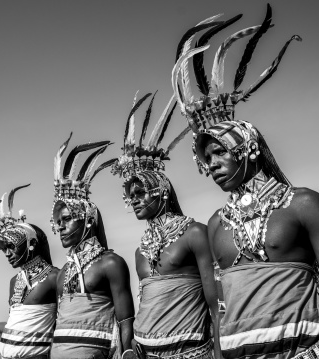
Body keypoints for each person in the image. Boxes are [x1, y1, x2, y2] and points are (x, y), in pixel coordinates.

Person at [172, 5, 319, 359]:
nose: (212, 164)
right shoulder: (217, 225)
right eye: (207, 158)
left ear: (247, 148)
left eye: (219, 152)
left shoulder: (303, 205)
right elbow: (221, 314)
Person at [110, 92, 219, 359]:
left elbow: (217, 306)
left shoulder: (194, 233)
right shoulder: (140, 251)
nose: (133, 201)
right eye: (130, 196)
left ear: (162, 191)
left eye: (140, 193)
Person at [49, 134, 136, 359]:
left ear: (87, 219)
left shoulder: (111, 263)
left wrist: (127, 352)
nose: (60, 227)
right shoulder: (63, 273)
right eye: (58, 222)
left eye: (67, 219)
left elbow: (126, 320)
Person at [0, 184, 59, 359]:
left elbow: (62, 324)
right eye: (3, 248)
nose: (7, 253)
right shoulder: (14, 281)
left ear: (32, 244)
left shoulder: (54, 277)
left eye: (11, 246)